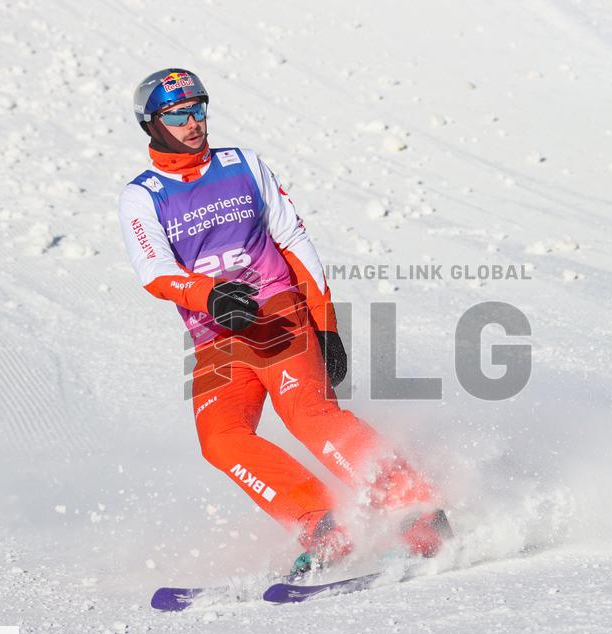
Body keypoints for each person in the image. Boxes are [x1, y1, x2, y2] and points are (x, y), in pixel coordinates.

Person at [117, 68, 452, 573]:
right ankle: (323, 525)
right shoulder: (142, 195)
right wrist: (211, 296)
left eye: (199, 108)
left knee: (309, 416)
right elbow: (155, 270)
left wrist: (326, 324)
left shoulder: (243, 166)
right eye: (178, 113)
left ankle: (419, 511)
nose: (194, 122)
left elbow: (294, 239)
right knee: (221, 439)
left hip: (278, 315)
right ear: (151, 123)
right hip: (216, 338)